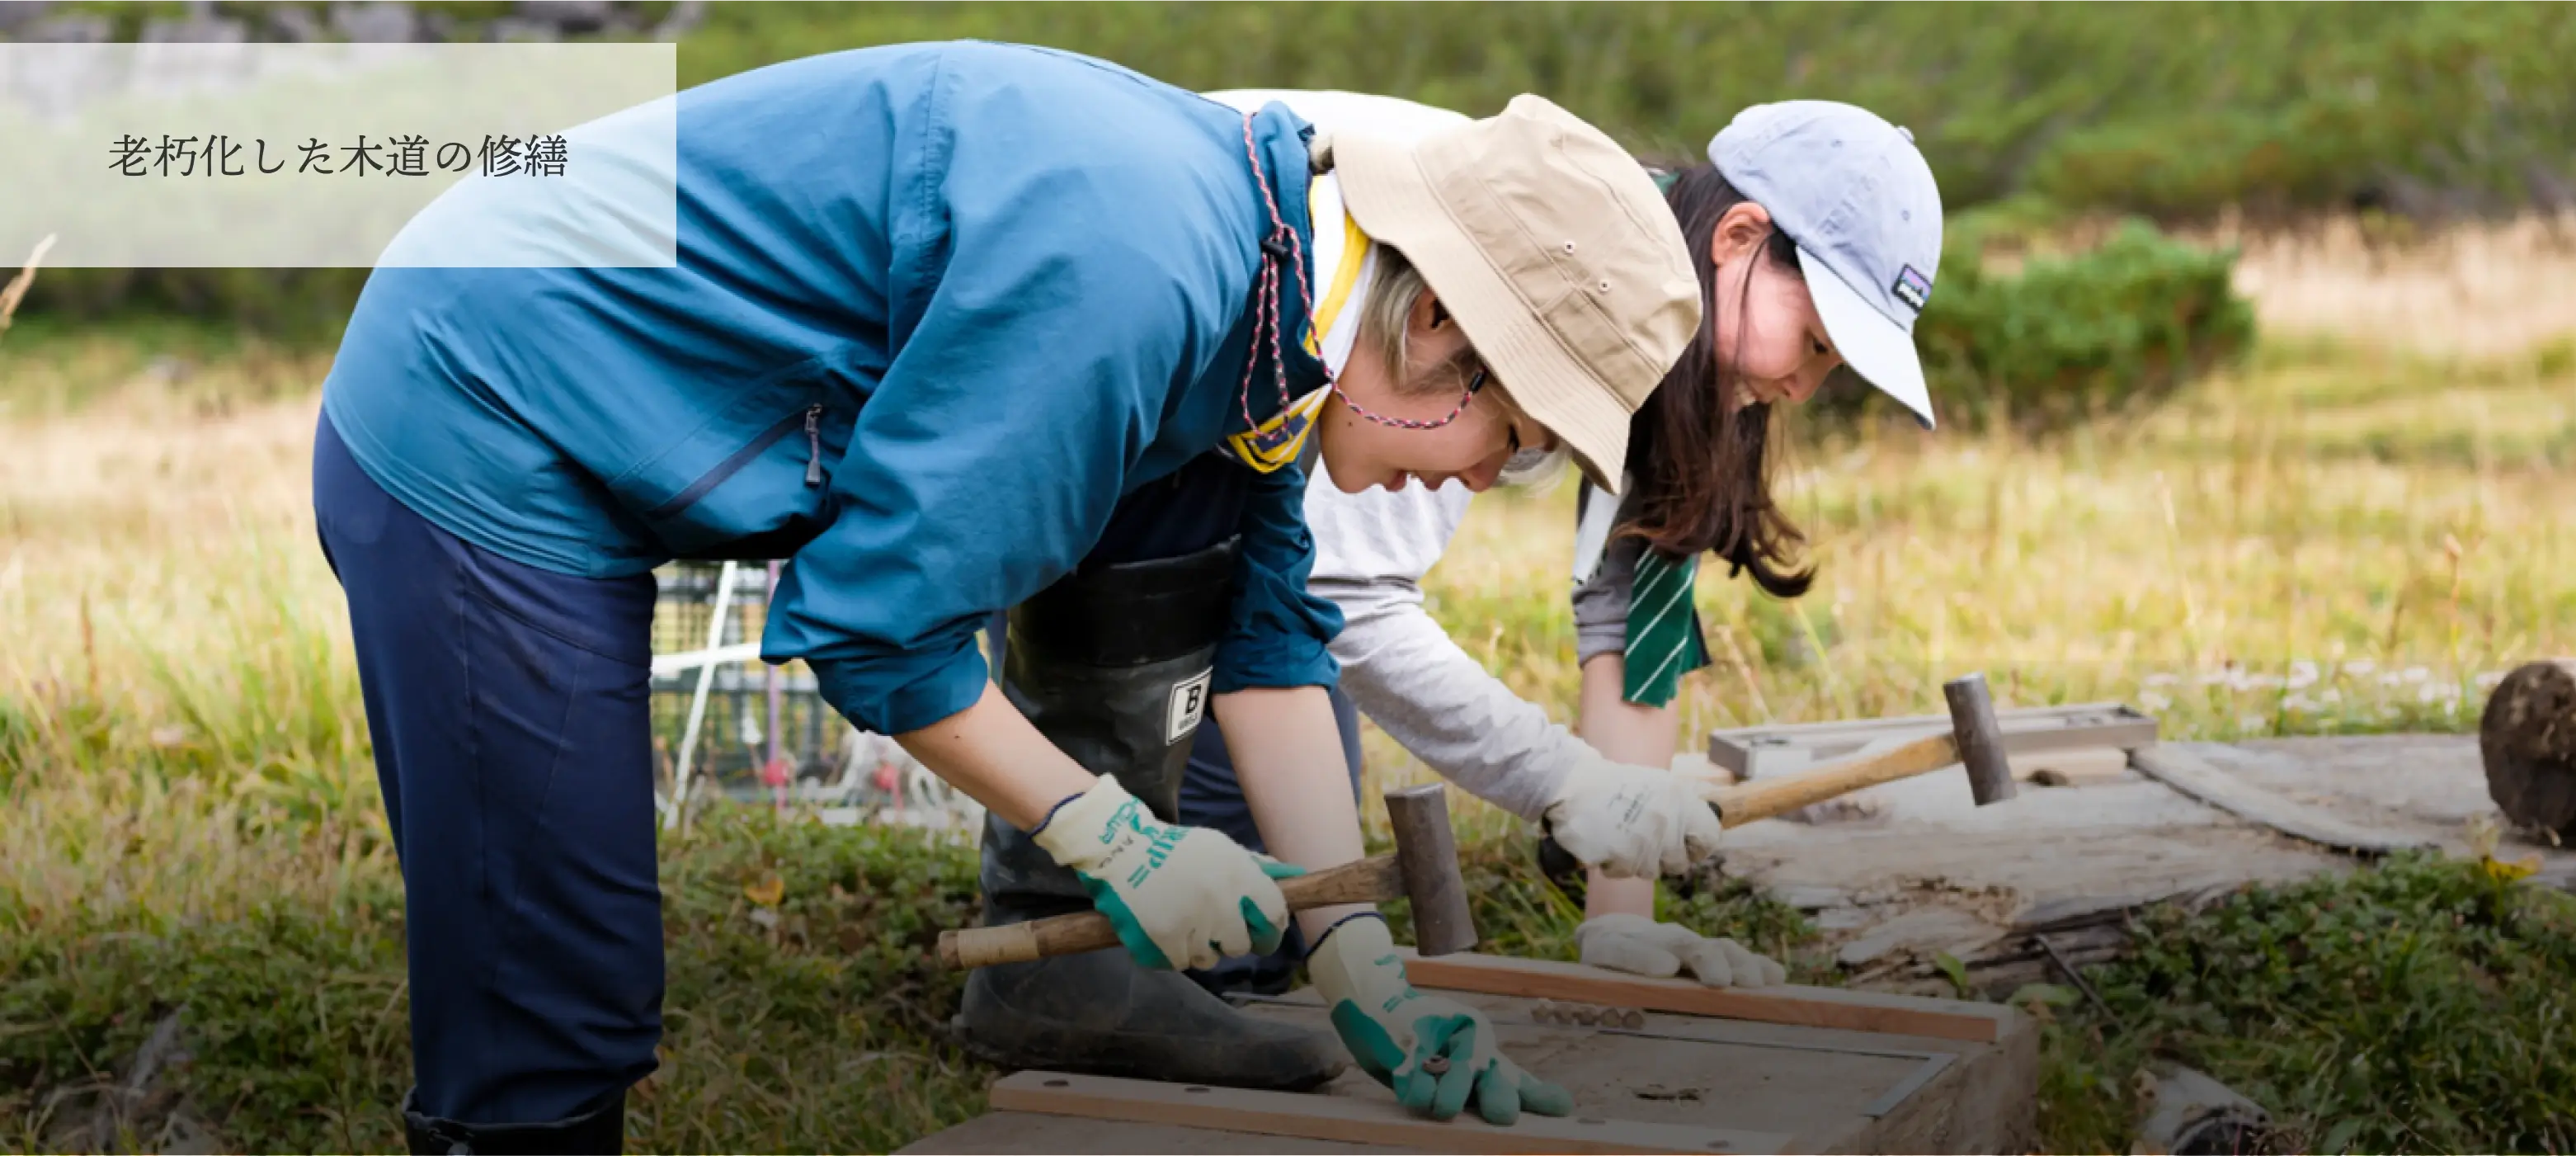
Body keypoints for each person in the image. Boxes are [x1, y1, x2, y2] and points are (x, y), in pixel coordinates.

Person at [311, 42, 1701, 1154]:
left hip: (628, 382)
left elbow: (1270, 637)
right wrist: (1117, 839)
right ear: (1443, 327)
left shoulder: (1285, 302)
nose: (1470, 479)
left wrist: (1357, 959)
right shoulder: (1138, 273)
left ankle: (1083, 987)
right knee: (559, 966)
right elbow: (870, 623)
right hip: (486, 392)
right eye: (1508, 445)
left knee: (1192, 520)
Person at [1180, 89, 1945, 995]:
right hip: (1174, 346)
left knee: (1291, 825)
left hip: (1248, 491)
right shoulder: (1540, 265)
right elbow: (1350, 597)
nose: (1803, 387)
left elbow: (1635, 629)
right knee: (1242, 901)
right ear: (1738, 238)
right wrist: (1562, 781)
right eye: (1813, 342)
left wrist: (1618, 922)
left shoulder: (1666, 336)